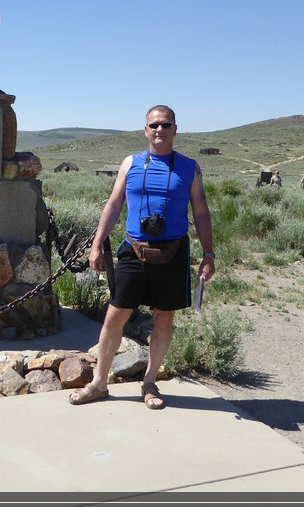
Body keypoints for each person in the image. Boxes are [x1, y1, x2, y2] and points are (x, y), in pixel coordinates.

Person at [68, 105, 216, 410]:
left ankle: (149, 382)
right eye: (154, 125)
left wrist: (208, 253)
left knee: (163, 318)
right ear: (145, 130)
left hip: (173, 253)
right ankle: (98, 383)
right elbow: (112, 205)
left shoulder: (190, 168)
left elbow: (201, 212)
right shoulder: (130, 164)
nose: (159, 130)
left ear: (176, 129)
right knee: (115, 316)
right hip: (134, 250)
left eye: (166, 124)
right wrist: (96, 245)